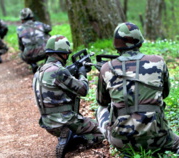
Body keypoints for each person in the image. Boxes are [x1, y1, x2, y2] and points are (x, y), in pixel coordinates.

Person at [96, 22, 179, 156]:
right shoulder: (158, 62)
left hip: (122, 141)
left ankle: (125, 147)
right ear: (140, 42)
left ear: (116, 45)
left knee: (101, 109)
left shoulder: (107, 68)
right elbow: (165, 93)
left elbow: (102, 102)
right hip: (158, 138)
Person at [33, 35, 104, 158]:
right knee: (102, 132)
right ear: (63, 54)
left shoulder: (40, 71)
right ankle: (73, 139)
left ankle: (67, 136)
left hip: (48, 123)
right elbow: (83, 90)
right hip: (65, 121)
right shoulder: (58, 71)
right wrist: (82, 74)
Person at [17, 8, 52, 73]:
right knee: (48, 35)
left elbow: (21, 45)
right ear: (32, 17)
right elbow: (49, 29)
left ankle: (33, 64)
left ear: (22, 19)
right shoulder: (40, 24)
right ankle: (47, 64)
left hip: (29, 55)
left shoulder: (19, 29)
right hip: (44, 53)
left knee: (21, 54)